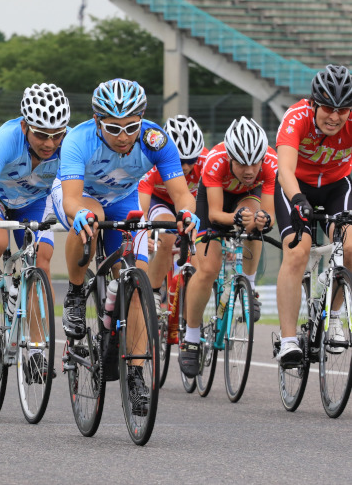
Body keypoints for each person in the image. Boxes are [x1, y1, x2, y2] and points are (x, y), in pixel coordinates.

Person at [51, 78, 198, 410]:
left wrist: (187, 213)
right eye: (113, 128)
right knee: (91, 214)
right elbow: (72, 200)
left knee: (136, 283)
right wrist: (80, 214)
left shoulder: (155, 140)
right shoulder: (78, 140)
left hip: (124, 199)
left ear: (142, 119)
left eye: (131, 127)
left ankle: (135, 374)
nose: (123, 136)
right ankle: (75, 293)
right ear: (96, 121)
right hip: (79, 197)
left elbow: (181, 193)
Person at [0, 83, 70, 379]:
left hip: (36, 201)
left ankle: (36, 351)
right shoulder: (5, 140)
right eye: (41, 134)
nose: (50, 143)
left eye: (57, 135)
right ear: (25, 126)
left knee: (42, 261)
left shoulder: (68, 145)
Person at [179, 117, 277, 377]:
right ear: (230, 157)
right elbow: (214, 214)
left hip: (247, 196)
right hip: (214, 202)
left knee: (256, 223)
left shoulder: (270, 164)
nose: (249, 170)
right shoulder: (215, 160)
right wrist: (233, 218)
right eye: (242, 163)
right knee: (209, 269)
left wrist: (262, 221)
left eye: (255, 162)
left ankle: (249, 286)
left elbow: (270, 214)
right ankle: (190, 337)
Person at [275, 64, 352, 366]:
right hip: (296, 186)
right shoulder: (296, 118)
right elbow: (284, 171)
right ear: (314, 104)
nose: (335, 117)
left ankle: (335, 316)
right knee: (298, 251)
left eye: (343, 110)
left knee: (350, 246)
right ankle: (289, 340)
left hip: (337, 187)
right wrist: (297, 200)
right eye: (328, 109)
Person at [139, 115, 208, 314]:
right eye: (180, 161)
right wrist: (142, 233)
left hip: (190, 203)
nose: (186, 167)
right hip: (159, 201)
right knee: (168, 235)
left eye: (191, 160)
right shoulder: (153, 161)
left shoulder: (206, 161)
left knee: (200, 250)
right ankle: (152, 292)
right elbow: (142, 207)